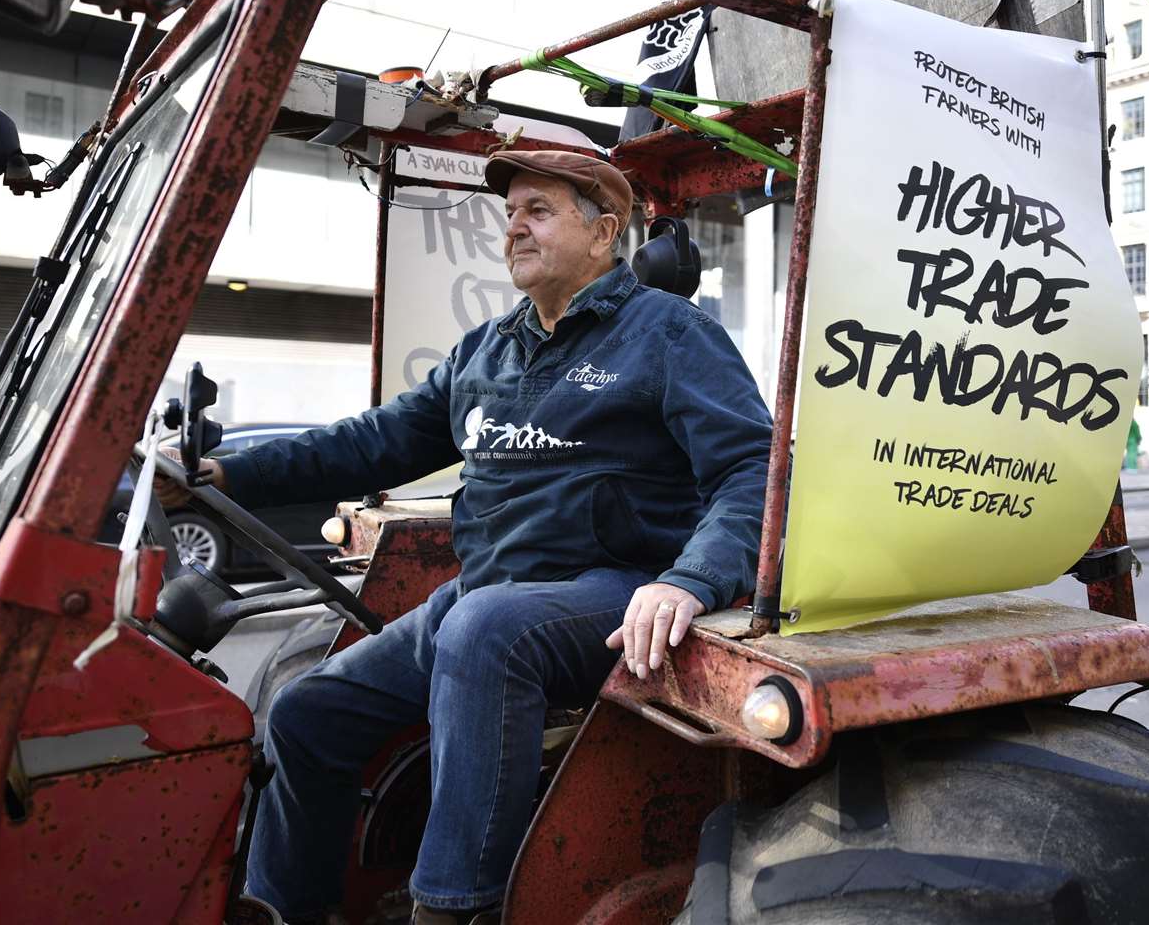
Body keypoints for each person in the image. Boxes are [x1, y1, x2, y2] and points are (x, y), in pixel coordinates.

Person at [159, 150, 772, 925]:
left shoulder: (669, 335)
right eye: (510, 213)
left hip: (612, 591)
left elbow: (753, 467)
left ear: (604, 232)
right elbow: (371, 443)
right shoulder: (488, 349)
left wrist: (689, 579)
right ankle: (290, 910)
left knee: (487, 632)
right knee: (306, 713)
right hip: (487, 594)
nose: (515, 226)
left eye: (539, 211)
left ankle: (451, 909)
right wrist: (227, 472)